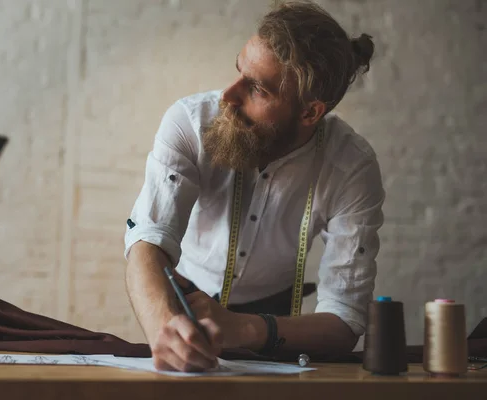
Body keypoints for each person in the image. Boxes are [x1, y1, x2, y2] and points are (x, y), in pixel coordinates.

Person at [124, 0, 385, 372]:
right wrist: (162, 324)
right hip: (179, 298)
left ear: (311, 111)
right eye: (237, 71)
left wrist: (244, 328)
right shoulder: (190, 123)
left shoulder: (351, 166)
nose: (228, 95)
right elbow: (145, 241)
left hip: (274, 325)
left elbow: (344, 320)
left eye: (257, 89)